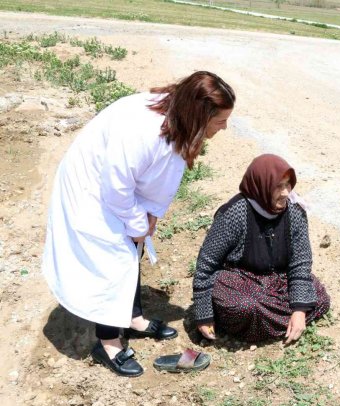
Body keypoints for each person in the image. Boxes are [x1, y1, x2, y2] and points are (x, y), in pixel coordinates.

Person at [42, 71, 236, 377]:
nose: (224, 127)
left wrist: (149, 219)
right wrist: (137, 223)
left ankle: (132, 317)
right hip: (92, 187)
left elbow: (159, 179)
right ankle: (108, 342)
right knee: (113, 259)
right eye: (220, 120)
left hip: (119, 187)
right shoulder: (142, 131)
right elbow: (116, 187)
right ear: (199, 114)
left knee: (135, 247)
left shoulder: (177, 121)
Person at [192, 154, 330, 344]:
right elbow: (206, 265)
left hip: (278, 279)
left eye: (288, 184)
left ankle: (279, 321)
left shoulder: (295, 211)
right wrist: (204, 315)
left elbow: (300, 264)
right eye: (278, 186)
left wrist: (299, 311)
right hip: (240, 280)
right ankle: (272, 321)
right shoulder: (234, 212)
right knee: (246, 307)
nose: (285, 192)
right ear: (262, 185)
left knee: (319, 298)